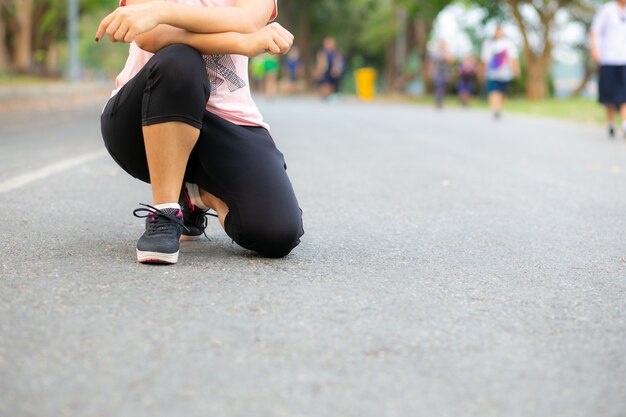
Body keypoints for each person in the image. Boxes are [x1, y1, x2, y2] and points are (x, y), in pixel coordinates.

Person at [96, 0, 304, 264]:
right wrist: (239, 43)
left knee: (277, 231)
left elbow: (248, 20)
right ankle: (164, 212)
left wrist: (160, 11)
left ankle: (199, 195)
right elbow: (150, 36)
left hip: (227, 119)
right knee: (179, 60)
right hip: (145, 114)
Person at [590, 0, 626, 138]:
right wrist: (594, 49)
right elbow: (595, 30)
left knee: (624, 93)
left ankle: (624, 123)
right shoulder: (607, 10)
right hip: (608, 58)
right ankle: (610, 123)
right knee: (609, 94)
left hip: (624, 59)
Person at [480, 26, 520, 119]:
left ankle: (499, 108)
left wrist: (516, 70)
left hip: (505, 73)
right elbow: (485, 60)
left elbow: (513, 58)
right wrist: (482, 72)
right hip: (492, 72)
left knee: (502, 93)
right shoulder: (489, 44)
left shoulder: (508, 44)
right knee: (494, 91)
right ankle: (495, 109)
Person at [428, 39, 454, 109]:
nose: (442, 44)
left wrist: (445, 51)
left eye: (443, 43)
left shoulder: (447, 52)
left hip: (445, 73)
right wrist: (430, 71)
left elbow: (451, 61)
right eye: (440, 43)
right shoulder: (435, 52)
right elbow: (431, 62)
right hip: (437, 72)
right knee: (438, 86)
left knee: (442, 87)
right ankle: (437, 101)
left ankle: (440, 101)